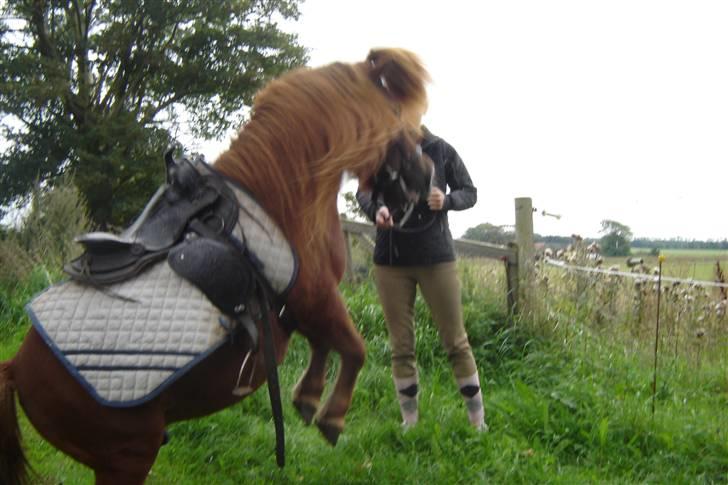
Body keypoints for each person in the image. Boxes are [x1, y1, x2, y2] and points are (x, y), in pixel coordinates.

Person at [357, 126, 487, 431]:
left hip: (436, 259)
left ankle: (478, 424)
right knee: (401, 347)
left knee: (456, 342)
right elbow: (363, 192)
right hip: (391, 261)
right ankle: (410, 424)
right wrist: (377, 209)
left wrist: (448, 200)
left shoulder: (440, 149)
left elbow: (470, 192)